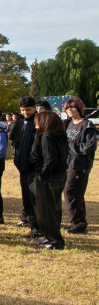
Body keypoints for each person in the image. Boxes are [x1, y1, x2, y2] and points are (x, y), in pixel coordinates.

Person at [29, 111, 68, 250]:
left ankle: (55, 241)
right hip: (60, 174)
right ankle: (50, 236)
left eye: (37, 122)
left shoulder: (47, 136)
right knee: (54, 208)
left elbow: (49, 159)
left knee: (47, 209)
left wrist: (42, 174)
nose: (36, 125)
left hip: (50, 177)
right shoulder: (60, 135)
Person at [62, 97, 96, 234]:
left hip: (79, 166)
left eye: (73, 107)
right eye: (68, 107)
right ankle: (75, 222)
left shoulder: (87, 125)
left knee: (72, 193)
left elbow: (89, 146)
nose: (70, 109)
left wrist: (69, 147)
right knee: (70, 193)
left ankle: (79, 224)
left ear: (79, 109)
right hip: (67, 164)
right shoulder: (68, 124)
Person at [14, 97, 39, 237]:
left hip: (32, 168)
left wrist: (30, 162)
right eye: (23, 110)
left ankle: (37, 229)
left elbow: (36, 146)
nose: (25, 113)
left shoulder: (37, 122)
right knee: (27, 200)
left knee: (34, 200)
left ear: (35, 108)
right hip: (23, 167)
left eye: (28, 110)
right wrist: (18, 160)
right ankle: (33, 227)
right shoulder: (24, 123)